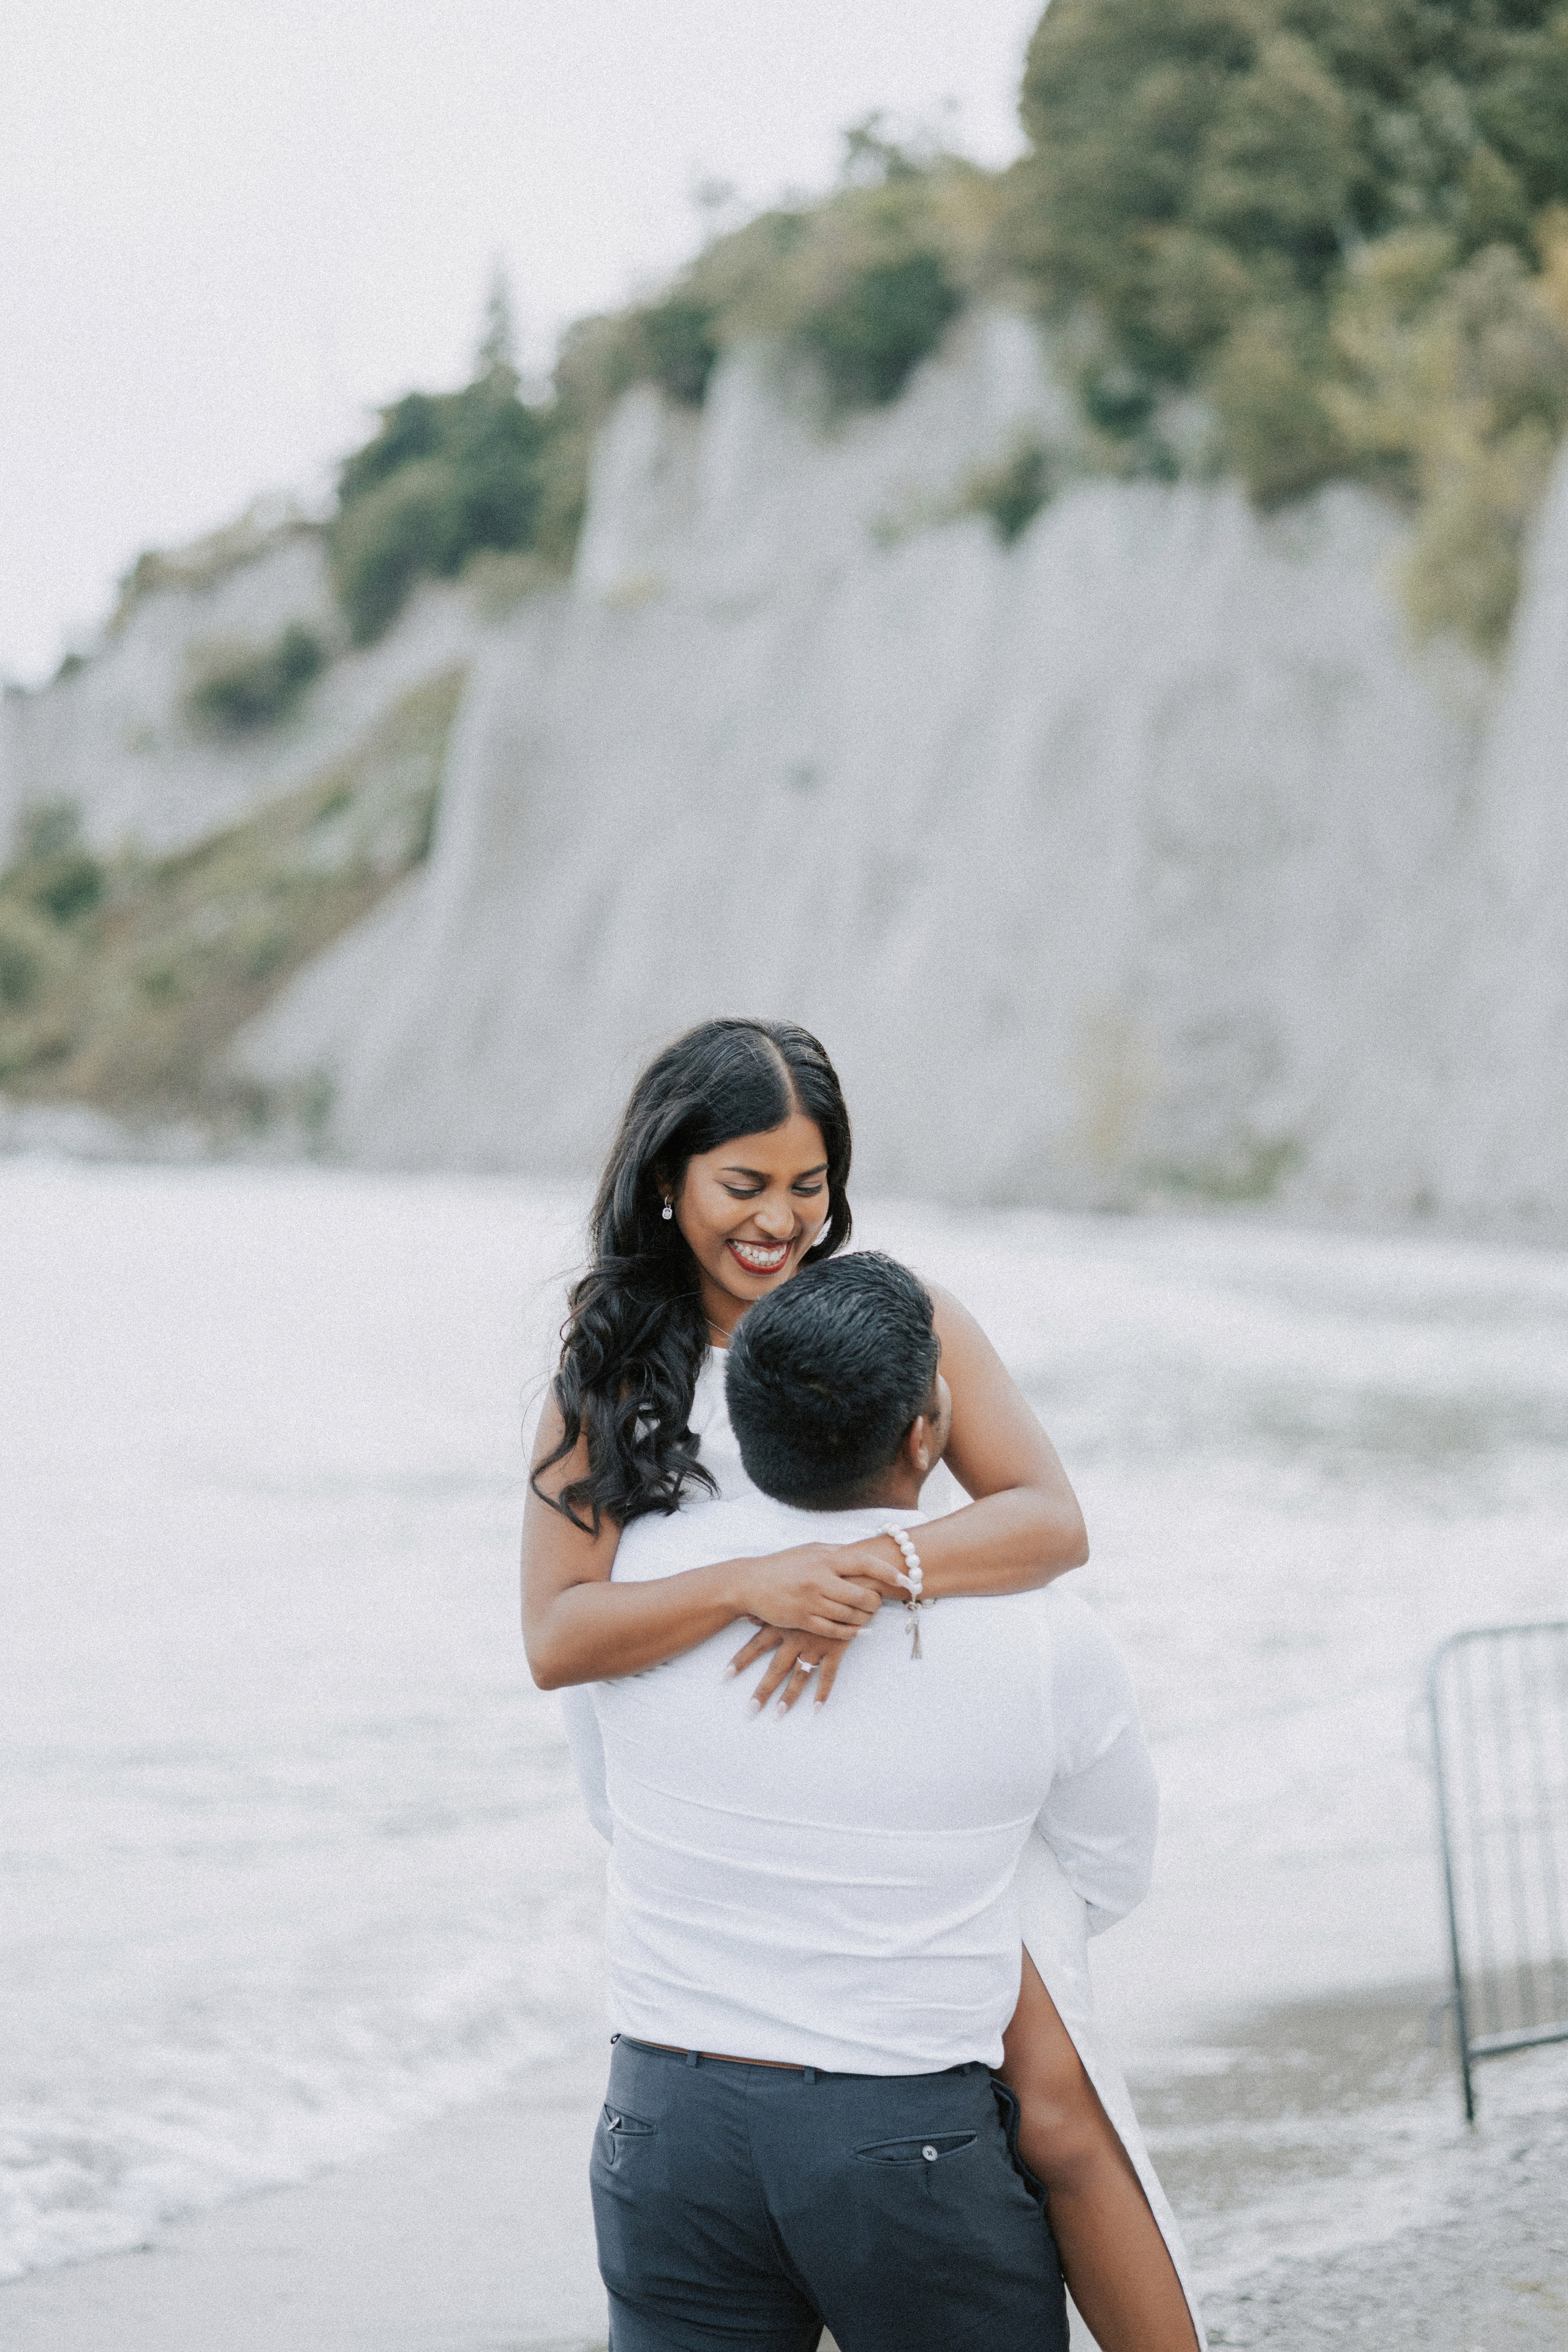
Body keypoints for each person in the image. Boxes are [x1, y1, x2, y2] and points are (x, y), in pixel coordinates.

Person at [522, 1017, 1202, 2348]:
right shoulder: (610, 1374)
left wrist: (878, 1565)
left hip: (911, 1778)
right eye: (744, 1186)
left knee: (1057, 2101)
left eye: (808, 1186)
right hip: (742, 1817)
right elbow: (556, 1637)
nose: (778, 1222)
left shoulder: (900, 1317)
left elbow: (1048, 1522)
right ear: (669, 1181)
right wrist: (751, 1586)